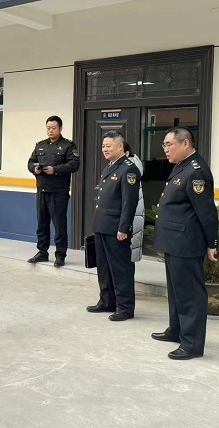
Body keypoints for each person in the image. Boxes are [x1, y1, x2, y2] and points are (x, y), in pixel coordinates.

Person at [152, 127, 218, 360]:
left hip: (186, 243)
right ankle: (177, 330)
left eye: (169, 144)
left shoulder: (196, 171)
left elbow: (207, 212)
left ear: (185, 144)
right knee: (176, 290)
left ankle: (192, 344)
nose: (165, 149)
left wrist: (212, 242)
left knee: (190, 294)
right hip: (174, 241)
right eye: (164, 145)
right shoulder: (182, 167)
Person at [87, 130, 141, 321]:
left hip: (116, 228)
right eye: (103, 146)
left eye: (108, 146)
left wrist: (123, 228)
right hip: (102, 224)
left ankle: (125, 307)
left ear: (120, 146)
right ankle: (107, 301)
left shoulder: (129, 169)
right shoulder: (110, 167)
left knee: (120, 269)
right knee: (103, 267)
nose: (105, 149)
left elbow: (129, 203)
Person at [27, 116, 80, 267]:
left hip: (58, 192)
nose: (50, 131)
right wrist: (35, 169)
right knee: (42, 224)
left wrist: (55, 170)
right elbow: (30, 162)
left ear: (60, 129)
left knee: (59, 224)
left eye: (54, 128)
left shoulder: (68, 146)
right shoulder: (40, 145)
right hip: (42, 190)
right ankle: (42, 252)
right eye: (48, 128)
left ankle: (60, 255)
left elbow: (74, 164)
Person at [124, 143, 145, 263]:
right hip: (129, 214)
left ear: (126, 153)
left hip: (132, 213)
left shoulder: (130, 169)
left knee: (128, 255)